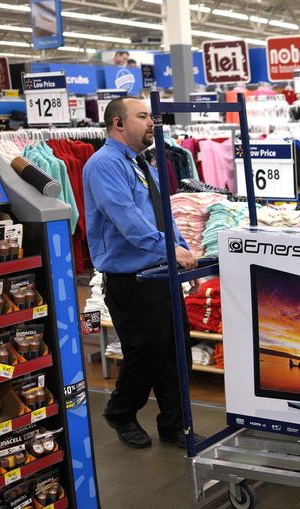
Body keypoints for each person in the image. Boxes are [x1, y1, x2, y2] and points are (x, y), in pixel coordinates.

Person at [83, 96, 198, 449]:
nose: (152, 122)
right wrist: (167, 248)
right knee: (145, 351)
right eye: (143, 116)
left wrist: (183, 249)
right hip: (132, 279)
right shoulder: (103, 164)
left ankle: (175, 425)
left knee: (175, 350)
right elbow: (126, 218)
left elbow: (162, 211)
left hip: (161, 272)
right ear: (118, 123)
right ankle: (120, 411)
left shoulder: (140, 163)